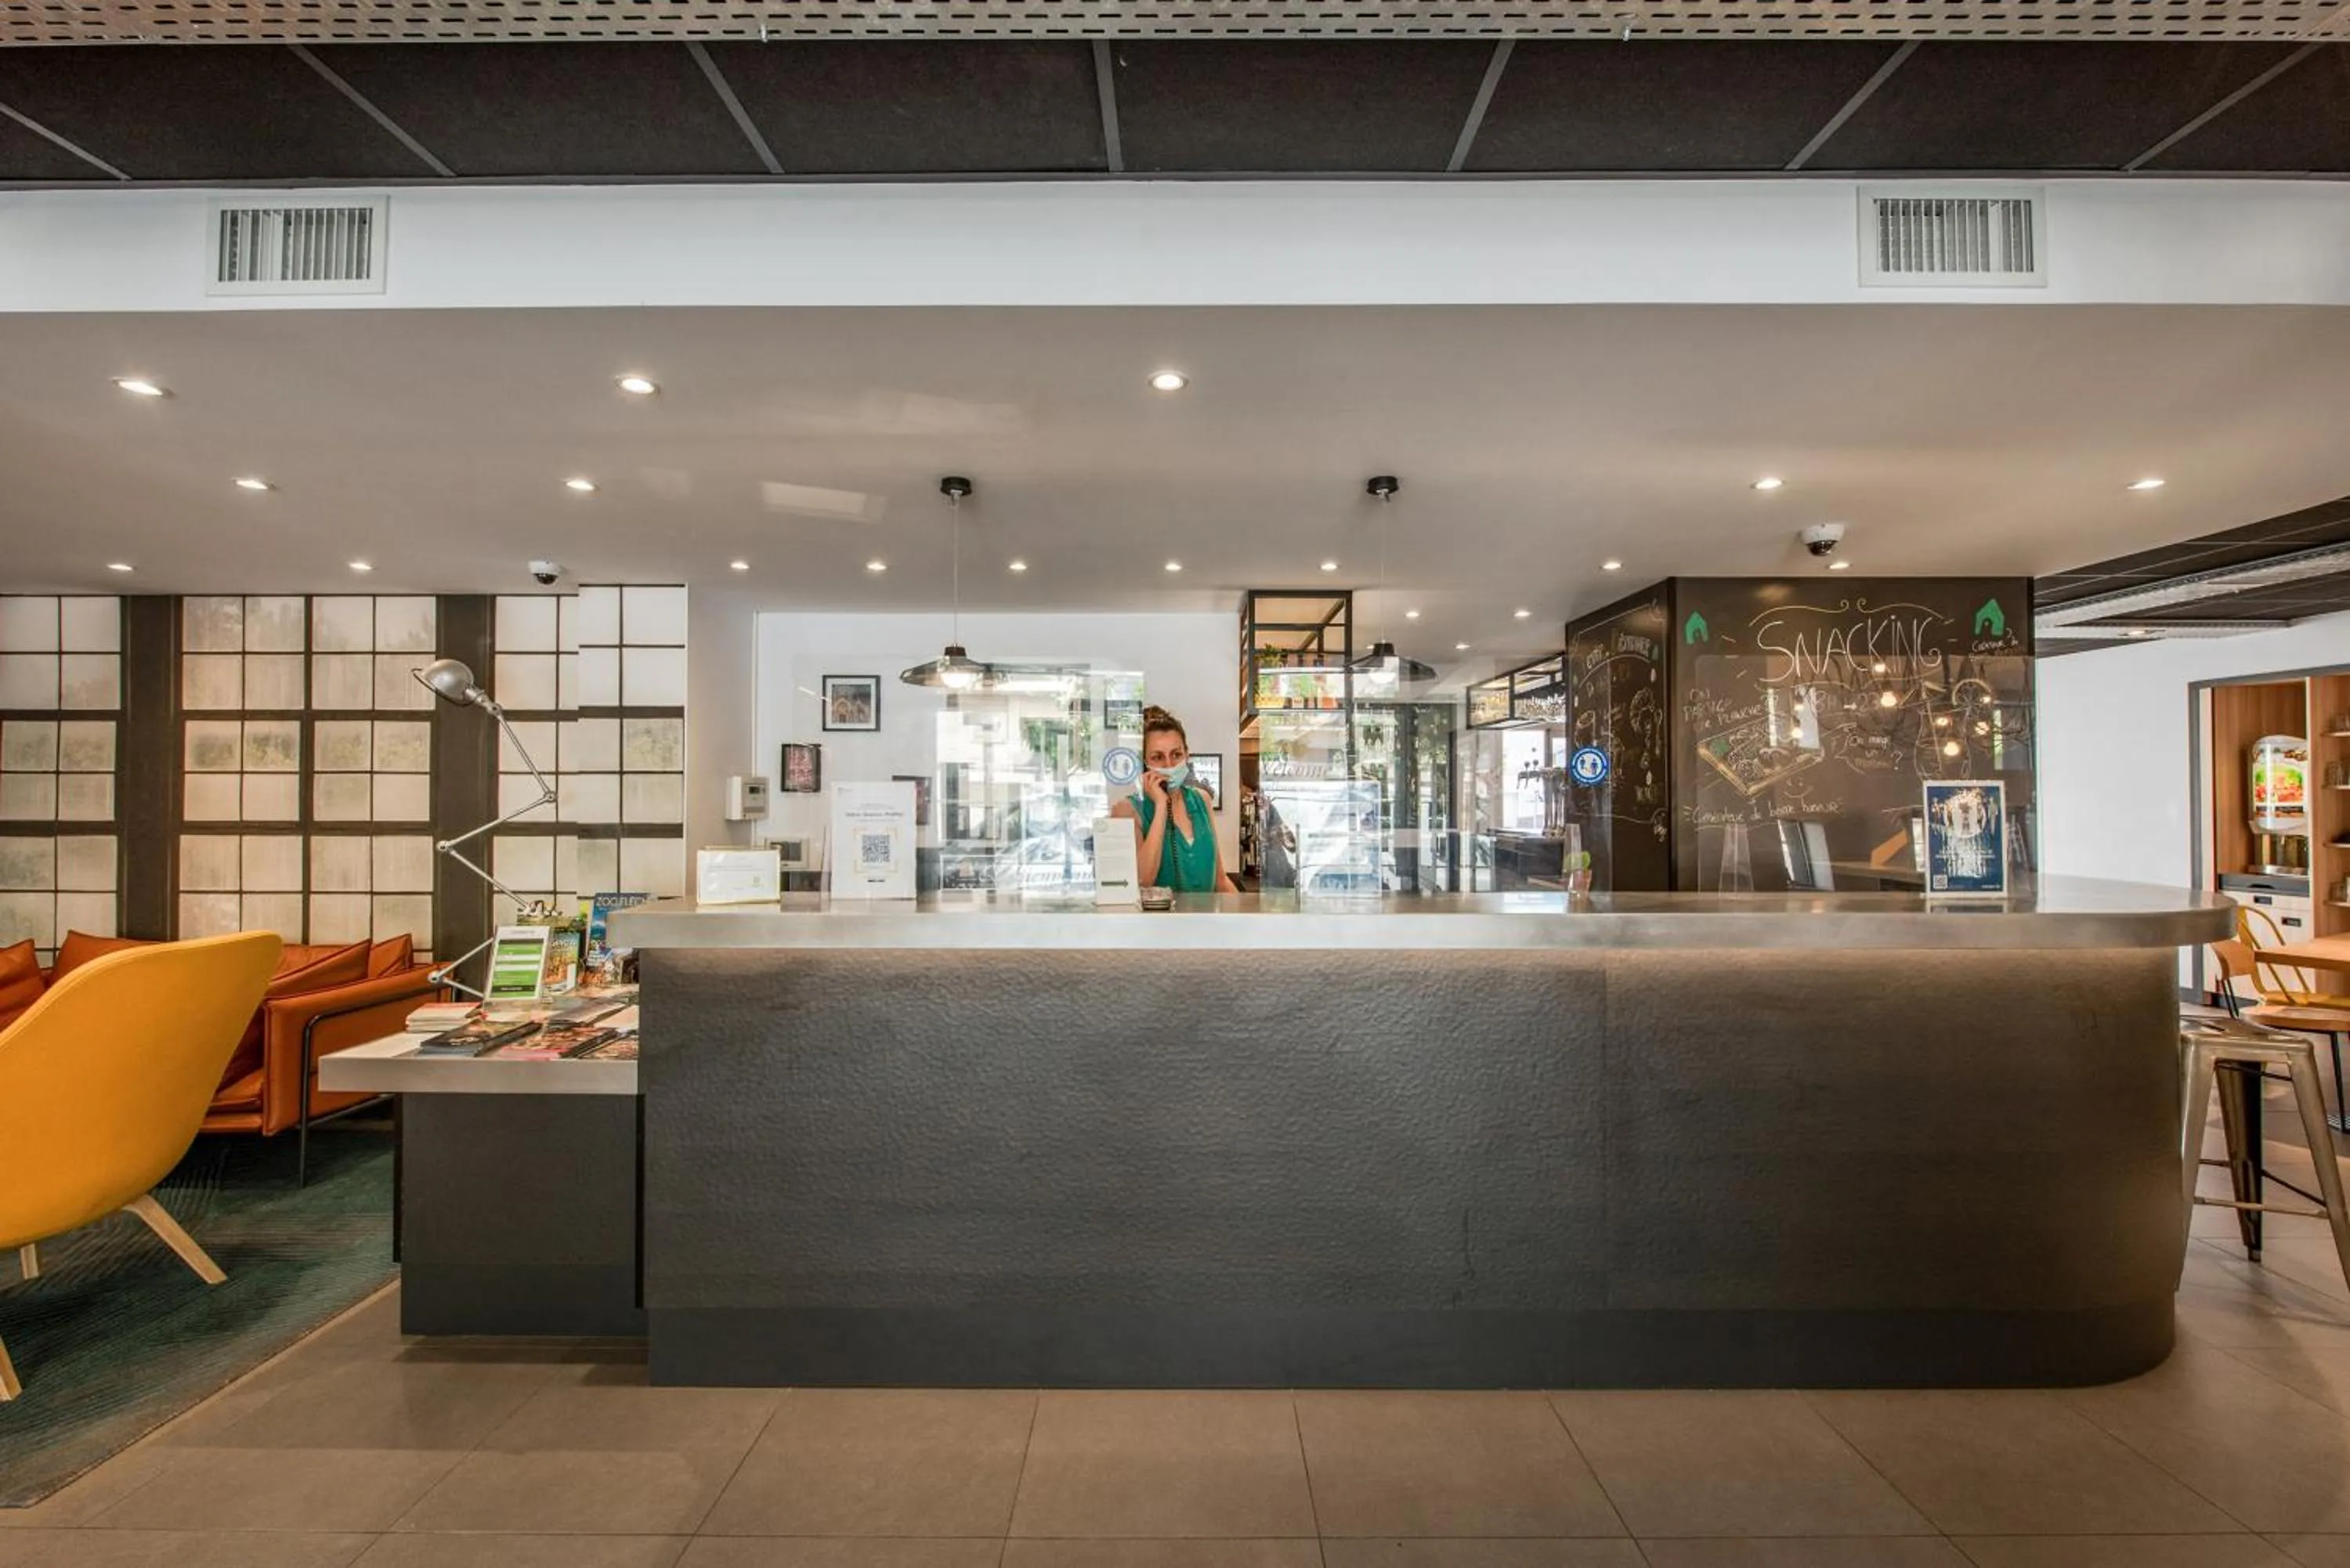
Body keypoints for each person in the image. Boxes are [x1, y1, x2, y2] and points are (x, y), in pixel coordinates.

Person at [1111, 705, 1238, 894]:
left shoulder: (1201, 800)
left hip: (1206, 921)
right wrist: (1162, 806)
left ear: (1187, 755)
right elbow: (1142, 881)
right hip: (1156, 923)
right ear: (1144, 763)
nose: (1169, 765)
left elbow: (1220, 879)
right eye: (1158, 757)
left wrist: (1248, 917)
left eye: (1176, 755)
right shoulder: (1126, 810)